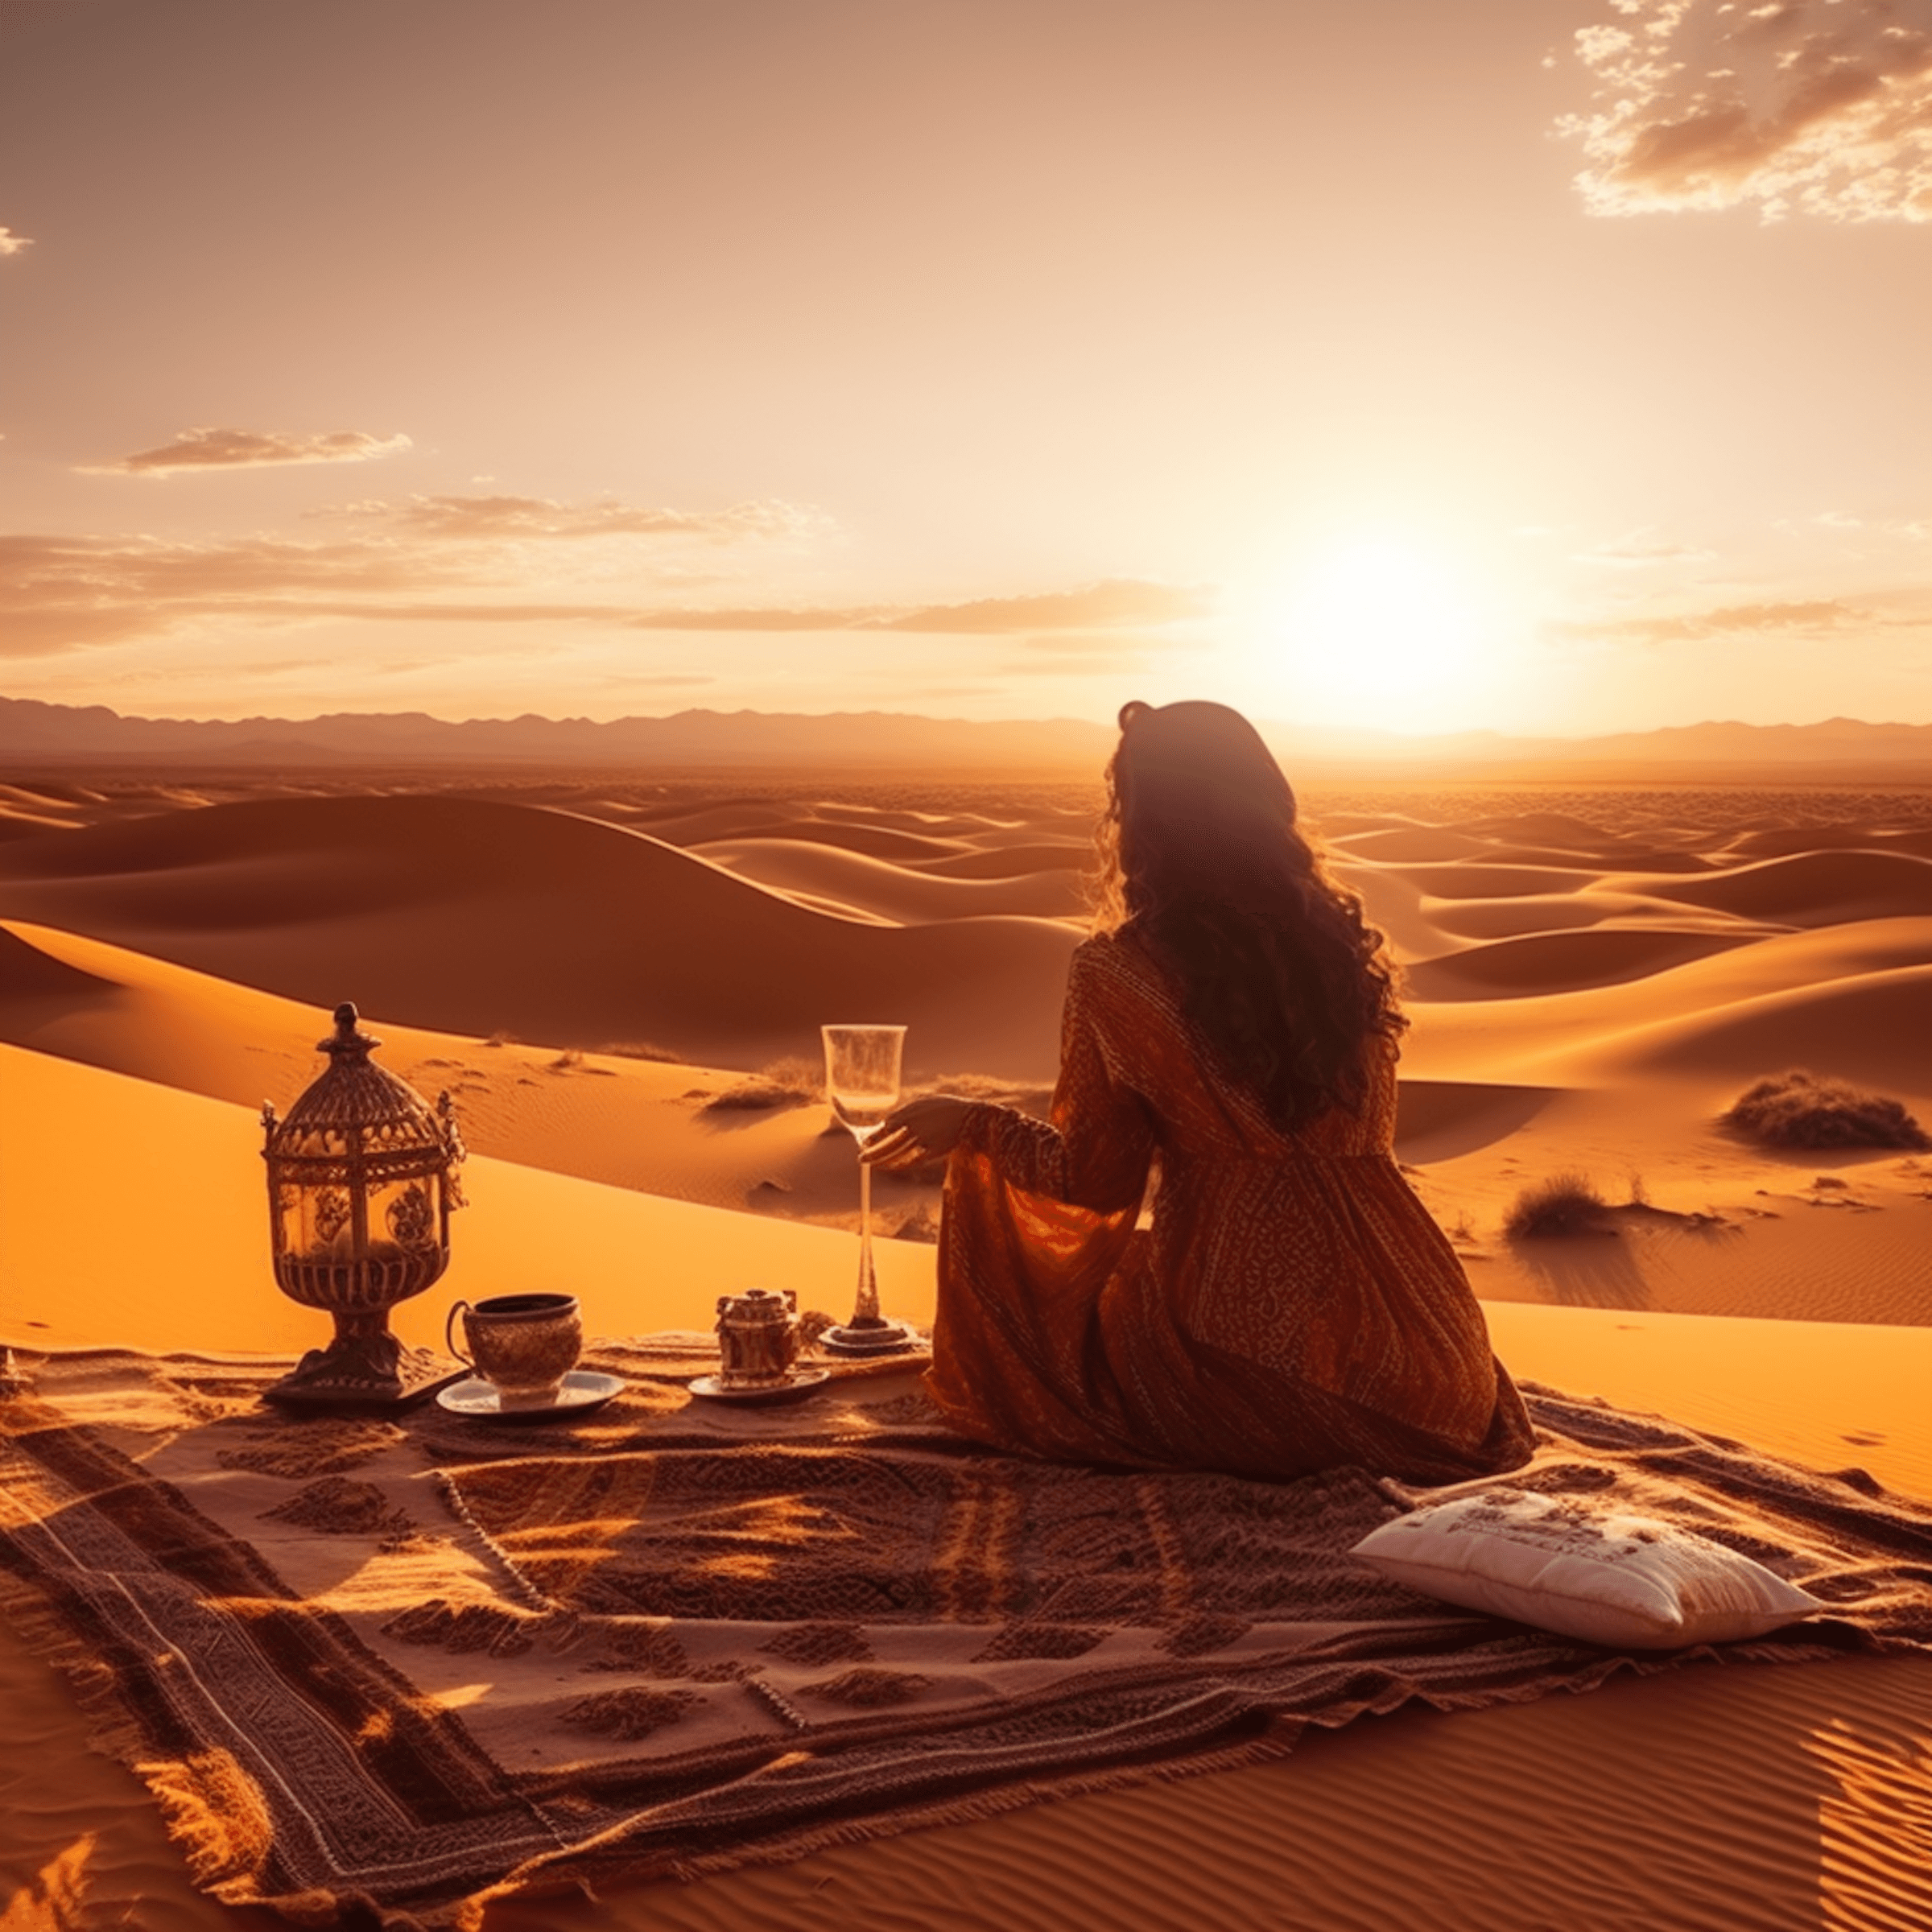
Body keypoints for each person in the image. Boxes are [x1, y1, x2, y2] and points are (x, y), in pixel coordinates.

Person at [864, 699, 1534, 1484]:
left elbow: (1091, 1183)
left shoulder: (1118, 973)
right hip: (1436, 1369)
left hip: (1242, 1370)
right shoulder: (1338, 951)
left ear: (1144, 821)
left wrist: (977, 1129)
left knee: (1077, 1357)